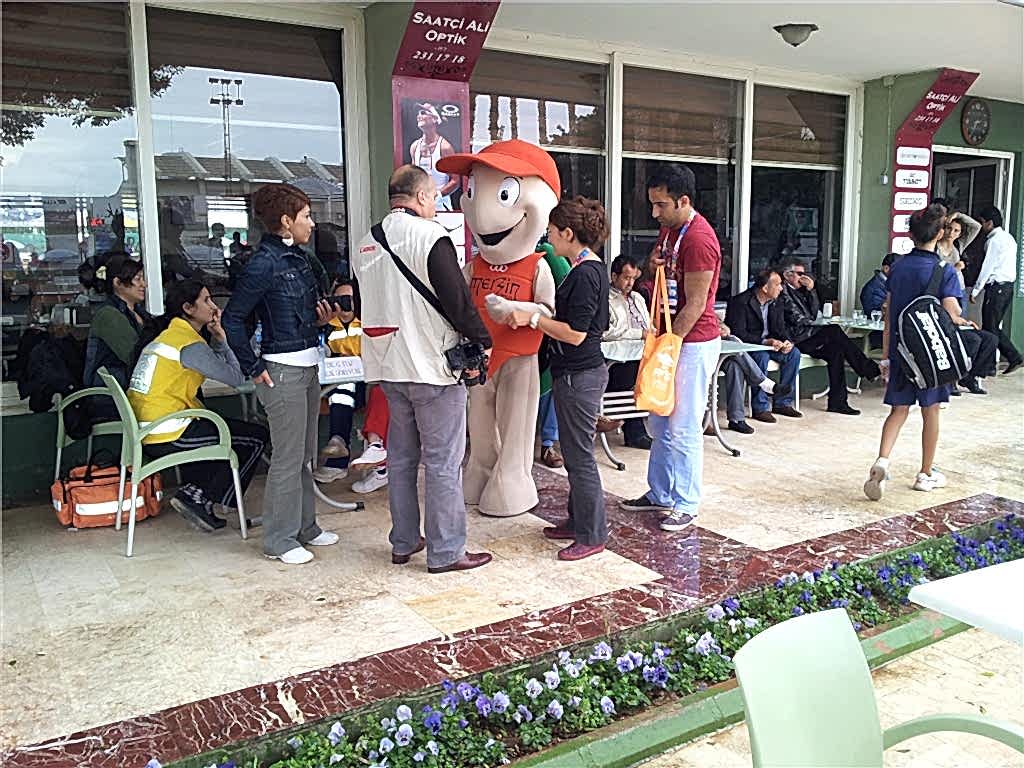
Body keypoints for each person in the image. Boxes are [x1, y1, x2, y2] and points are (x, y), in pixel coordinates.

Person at [353, 165, 493, 574]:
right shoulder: (431, 237)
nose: (435, 204)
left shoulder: (366, 242)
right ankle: (447, 551)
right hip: (432, 366)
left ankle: (403, 541)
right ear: (420, 197)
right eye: (433, 197)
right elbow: (457, 301)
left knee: (400, 459)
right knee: (442, 462)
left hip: (388, 365)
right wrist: (482, 340)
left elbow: (364, 304)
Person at [222, 183, 343, 565]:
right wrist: (253, 366)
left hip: (307, 364)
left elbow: (302, 314)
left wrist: (322, 320)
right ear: (286, 221)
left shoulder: (301, 259)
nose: (312, 223)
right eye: (306, 216)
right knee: (288, 459)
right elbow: (233, 319)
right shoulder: (263, 263)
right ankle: (278, 539)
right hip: (282, 370)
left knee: (304, 456)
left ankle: (306, 527)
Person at [618, 164, 722, 532]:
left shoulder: (699, 239)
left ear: (683, 201)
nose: (654, 213)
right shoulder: (670, 230)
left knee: (683, 426)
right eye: (652, 204)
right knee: (659, 421)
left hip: (690, 343)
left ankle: (686, 503)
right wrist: (651, 265)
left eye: (661, 205)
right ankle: (660, 493)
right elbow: (659, 273)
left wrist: (668, 347)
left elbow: (696, 303)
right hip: (671, 338)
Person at [507, 196, 611, 560]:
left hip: (580, 375)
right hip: (576, 372)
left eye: (552, 231)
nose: (548, 237)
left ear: (568, 233)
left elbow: (576, 334)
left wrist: (534, 319)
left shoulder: (585, 274)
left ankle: (593, 534)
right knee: (572, 451)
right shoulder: (587, 269)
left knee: (580, 457)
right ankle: (576, 520)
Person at [128, 279, 268, 531]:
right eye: (206, 300)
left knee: (227, 431)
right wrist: (223, 338)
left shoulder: (171, 336)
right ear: (188, 308)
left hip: (150, 427)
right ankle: (199, 496)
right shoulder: (189, 345)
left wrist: (217, 340)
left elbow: (219, 367)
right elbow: (236, 378)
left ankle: (200, 495)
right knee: (255, 438)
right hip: (168, 431)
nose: (214, 306)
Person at [863, 204, 975, 499]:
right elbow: (951, 312)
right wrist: (963, 320)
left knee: (898, 410)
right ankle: (925, 473)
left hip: (901, 351)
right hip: (931, 355)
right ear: (939, 235)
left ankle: (882, 461)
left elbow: (889, 314)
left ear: (911, 234)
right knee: (931, 410)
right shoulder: (944, 270)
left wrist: (886, 355)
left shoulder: (898, 267)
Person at [313, 279, 391, 494]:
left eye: (350, 299)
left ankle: (340, 454)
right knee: (342, 390)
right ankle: (337, 455)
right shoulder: (327, 326)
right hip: (337, 385)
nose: (345, 304)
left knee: (353, 391)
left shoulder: (368, 322)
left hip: (368, 384)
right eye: (339, 299)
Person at [779, 258, 880, 415]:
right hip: (795, 340)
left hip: (807, 336)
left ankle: (838, 402)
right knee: (833, 330)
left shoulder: (800, 291)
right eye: (799, 274)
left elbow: (813, 313)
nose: (803, 277)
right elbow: (800, 319)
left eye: (804, 273)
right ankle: (867, 367)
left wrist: (811, 291)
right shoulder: (782, 292)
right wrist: (816, 324)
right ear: (787, 275)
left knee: (836, 349)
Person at [722, 269, 800, 433]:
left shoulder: (776, 302)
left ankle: (783, 402)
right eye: (778, 285)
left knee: (794, 354)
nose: (781, 288)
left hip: (770, 345)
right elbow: (738, 334)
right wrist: (765, 341)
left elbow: (780, 328)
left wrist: (786, 342)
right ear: (765, 288)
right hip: (750, 346)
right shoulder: (741, 302)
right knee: (761, 357)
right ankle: (760, 407)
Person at [82, 254, 151, 422]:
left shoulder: (140, 313)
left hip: (133, 393)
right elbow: (136, 357)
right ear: (117, 282)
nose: (143, 285)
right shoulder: (108, 315)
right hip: (112, 400)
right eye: (137, 279)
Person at [603, 255, 652, 449]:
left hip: (642, 354)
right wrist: (639, 334)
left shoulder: (638, 298)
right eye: (626, 278)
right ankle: (635, 432)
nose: (630, 283)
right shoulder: (605, 298)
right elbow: (607, 332)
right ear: (614, 276)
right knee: (631, 376)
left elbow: (648, 325)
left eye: (633, 278)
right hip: (617, 360)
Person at [971, 206, 1022, 375]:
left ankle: (1011, 357)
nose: (981, 226)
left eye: (982, 223)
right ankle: (991, 364)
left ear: (990, 223)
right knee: (991, 326)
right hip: (1007, 288)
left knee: (990, 328)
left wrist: (976, 290)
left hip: (997, 288)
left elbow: (987, 267)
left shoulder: (993, 241)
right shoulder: (1009, 238)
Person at [538, 240, 572, 468]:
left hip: (544, 327)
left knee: (548, 384)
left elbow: (567, 284)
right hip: (518, 326)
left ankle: (548, 442)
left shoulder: (548, 250)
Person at [410, 103, 458, 211]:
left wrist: (437, 195)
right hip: (420, 208)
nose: (419, 116)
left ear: (435, 119)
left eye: (423, 112)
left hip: (441, 207)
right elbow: (414, 177)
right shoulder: (414, 147)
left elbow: (455, 180)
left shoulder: (445, 147)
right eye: (418, 113)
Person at [932, 203, 980, 295]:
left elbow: (977, 226)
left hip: (959, 288)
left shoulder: (959, 245)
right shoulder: (934, 245)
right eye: (949, 228)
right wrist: (955, 269)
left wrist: (958, 215)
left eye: (956, 231)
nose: (951, 233)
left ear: (960, 234)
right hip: (940, 289)